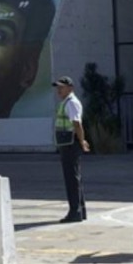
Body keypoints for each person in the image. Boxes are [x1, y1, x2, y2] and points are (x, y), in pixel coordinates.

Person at [52, 75, 90, 223]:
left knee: (71, 178)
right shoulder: (66, 102)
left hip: (70, 143)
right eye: (58, 87)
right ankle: (80, 210)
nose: (59, 90)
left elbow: (77, 123)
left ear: (70, 88)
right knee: (74, 177)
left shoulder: (71, 103)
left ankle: (75, 211)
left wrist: (82, 141)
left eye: (61, 87)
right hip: (67, 143)